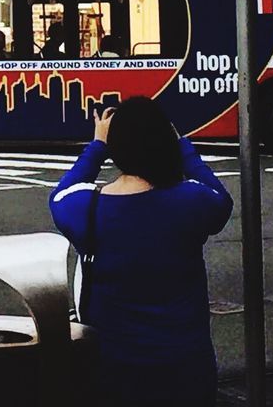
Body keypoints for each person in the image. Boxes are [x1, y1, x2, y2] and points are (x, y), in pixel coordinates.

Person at [50, 96, 233, 406]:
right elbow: (221, 198)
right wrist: (182, 145)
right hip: (185, 366)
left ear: (116, 149)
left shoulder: (87, 208)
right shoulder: (191, 202)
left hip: (112, 368)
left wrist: (97, 146)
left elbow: (60, 194)